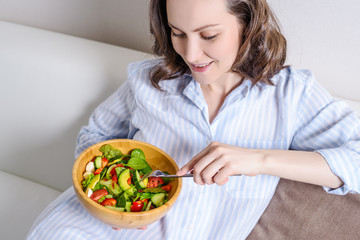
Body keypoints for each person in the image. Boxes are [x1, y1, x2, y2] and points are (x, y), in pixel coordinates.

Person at [26, 0, 360, 239]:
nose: (190, 54)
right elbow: (96, 137)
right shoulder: (147, 81)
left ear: (247, 23)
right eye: (177, 33)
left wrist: (259, 159)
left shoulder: (291, 94)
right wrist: (106, 206)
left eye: (209, 35)